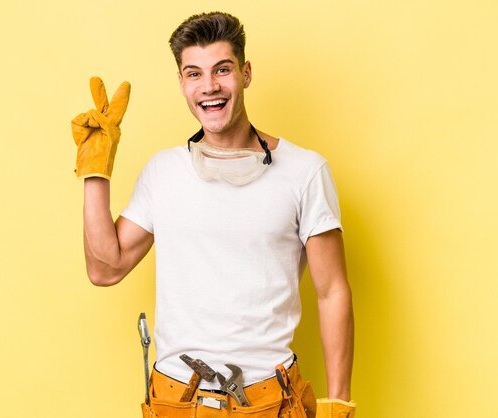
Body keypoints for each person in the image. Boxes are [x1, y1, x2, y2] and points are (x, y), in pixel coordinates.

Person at [71, 12, 355, 418]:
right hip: (175, 402)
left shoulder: (305, 171)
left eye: (222, 70)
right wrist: (96, 170)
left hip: (269, 402)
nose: (210, 87)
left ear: (246, 73)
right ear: (182, 83)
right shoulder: (163, 171)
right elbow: (105, 268)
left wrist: (338, 403)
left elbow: (332, 292)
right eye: (194, 74)